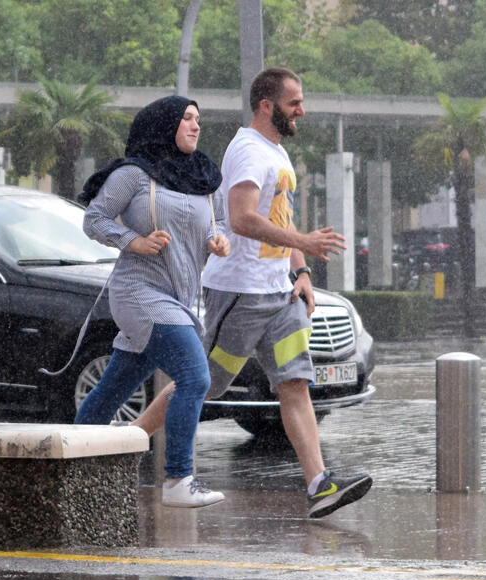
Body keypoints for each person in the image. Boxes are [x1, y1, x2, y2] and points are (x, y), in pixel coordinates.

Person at [134, 67, 372, 519]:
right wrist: (303, 243)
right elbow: (241, 218)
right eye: (293, 103)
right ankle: (122, 445)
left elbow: (279, 216)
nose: (302, 110)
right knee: (202, 383)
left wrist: (300, 271)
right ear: (267, 106)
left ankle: (320, 484)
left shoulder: (277, 154)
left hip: (278, 294)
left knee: (295, 383)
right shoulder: (247, 150)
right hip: (239, 294)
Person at [74, 95, 230, 509]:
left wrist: (220, 239)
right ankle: (179, 479)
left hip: (180, 298)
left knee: (113, 390)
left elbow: (222, 221)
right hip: (138, 293)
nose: (196, 126)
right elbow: (95, 218)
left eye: (198, 119)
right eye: (186, 119)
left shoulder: (203, 176)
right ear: (163, 125)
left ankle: (67, 467)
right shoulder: (135, 174)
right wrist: (135, 241)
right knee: (196, 378)